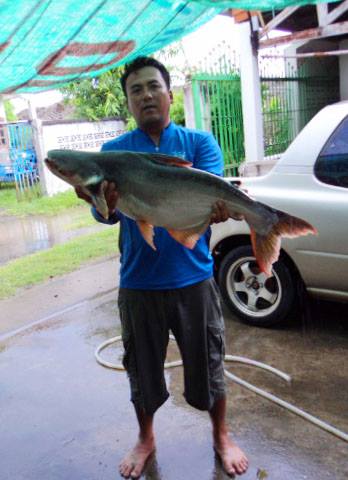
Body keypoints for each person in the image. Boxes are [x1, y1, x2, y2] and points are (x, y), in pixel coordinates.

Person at [76, 56, 249, 479]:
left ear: (170, 94)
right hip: (138, 281)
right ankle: (145, 438)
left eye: (153, 86)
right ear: (129, 103)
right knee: (141, 370)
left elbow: (210, 203)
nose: (146, 95)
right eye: (136, 90)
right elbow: (107, 217)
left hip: (194, 277)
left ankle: (221, 435)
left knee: (209, 365)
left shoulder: (199, 144)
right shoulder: (113, 154)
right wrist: (97, 202)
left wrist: (221, 209)